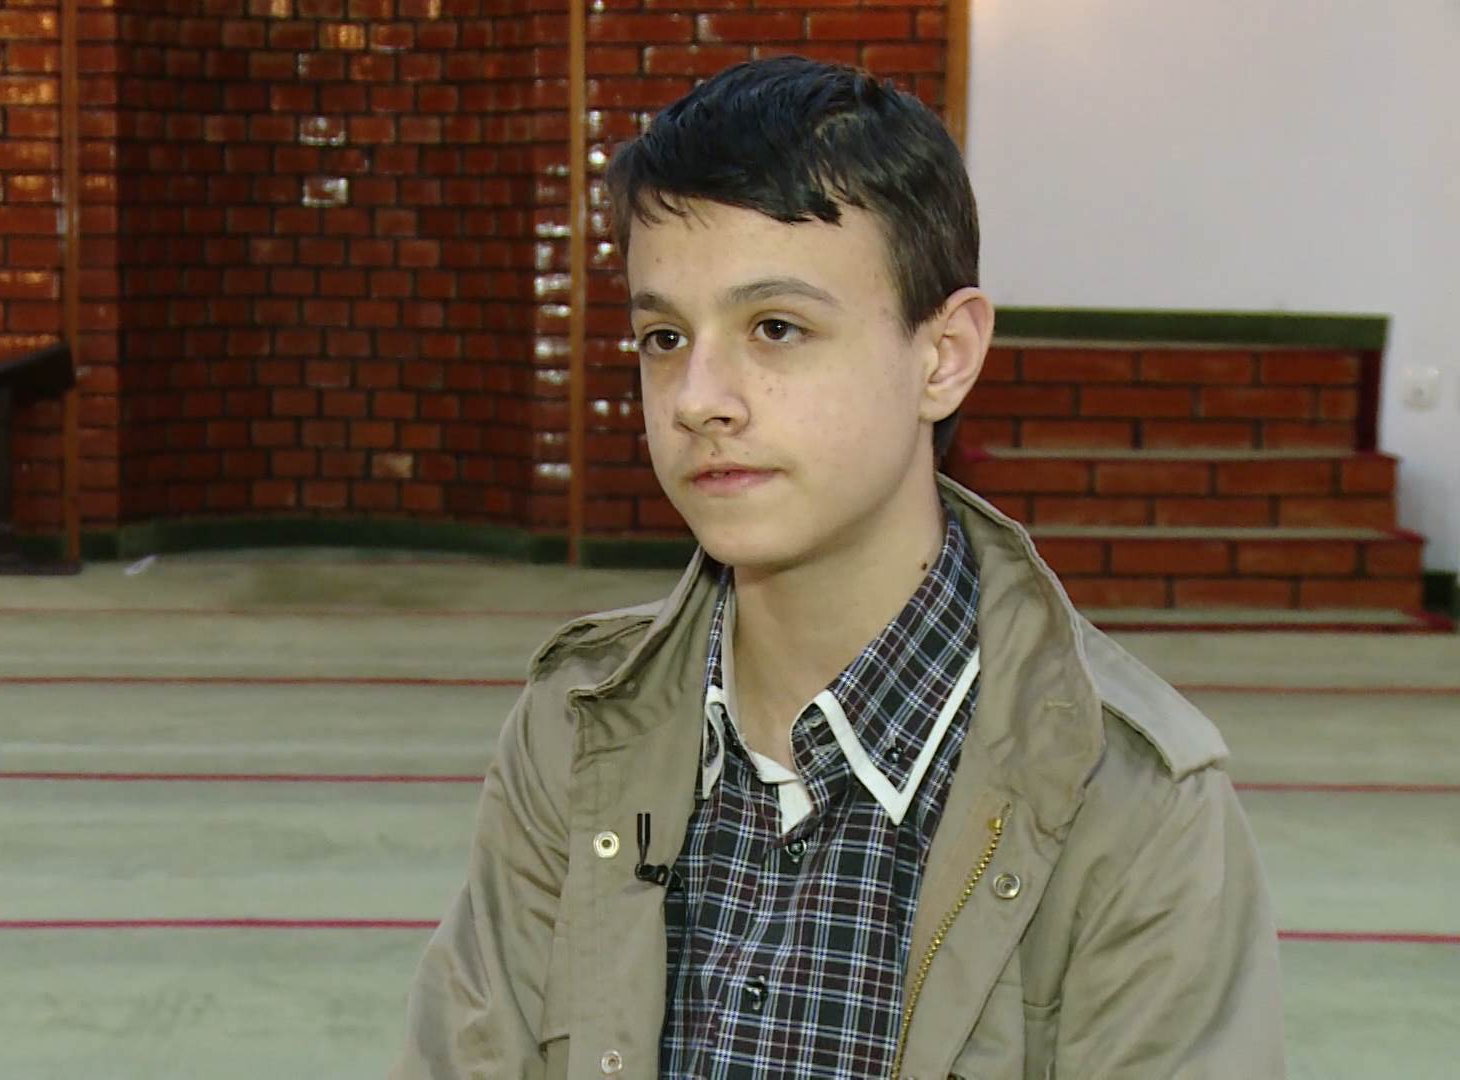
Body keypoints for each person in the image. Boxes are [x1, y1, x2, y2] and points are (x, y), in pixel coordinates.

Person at [393, 57, 1283, 1079]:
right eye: (663, 336)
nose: (698, 397)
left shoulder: (1129, 804)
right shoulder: (577, 729)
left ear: (944, 356)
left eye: (776, 328)